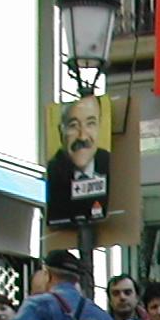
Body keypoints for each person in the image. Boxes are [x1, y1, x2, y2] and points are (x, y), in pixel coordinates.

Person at [45, 96, 111, 227]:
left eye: (90, 123)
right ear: (61, 132)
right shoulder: (50, 176)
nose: (82, 136)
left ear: (99, 127)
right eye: (73, 125)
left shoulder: (116, 167)